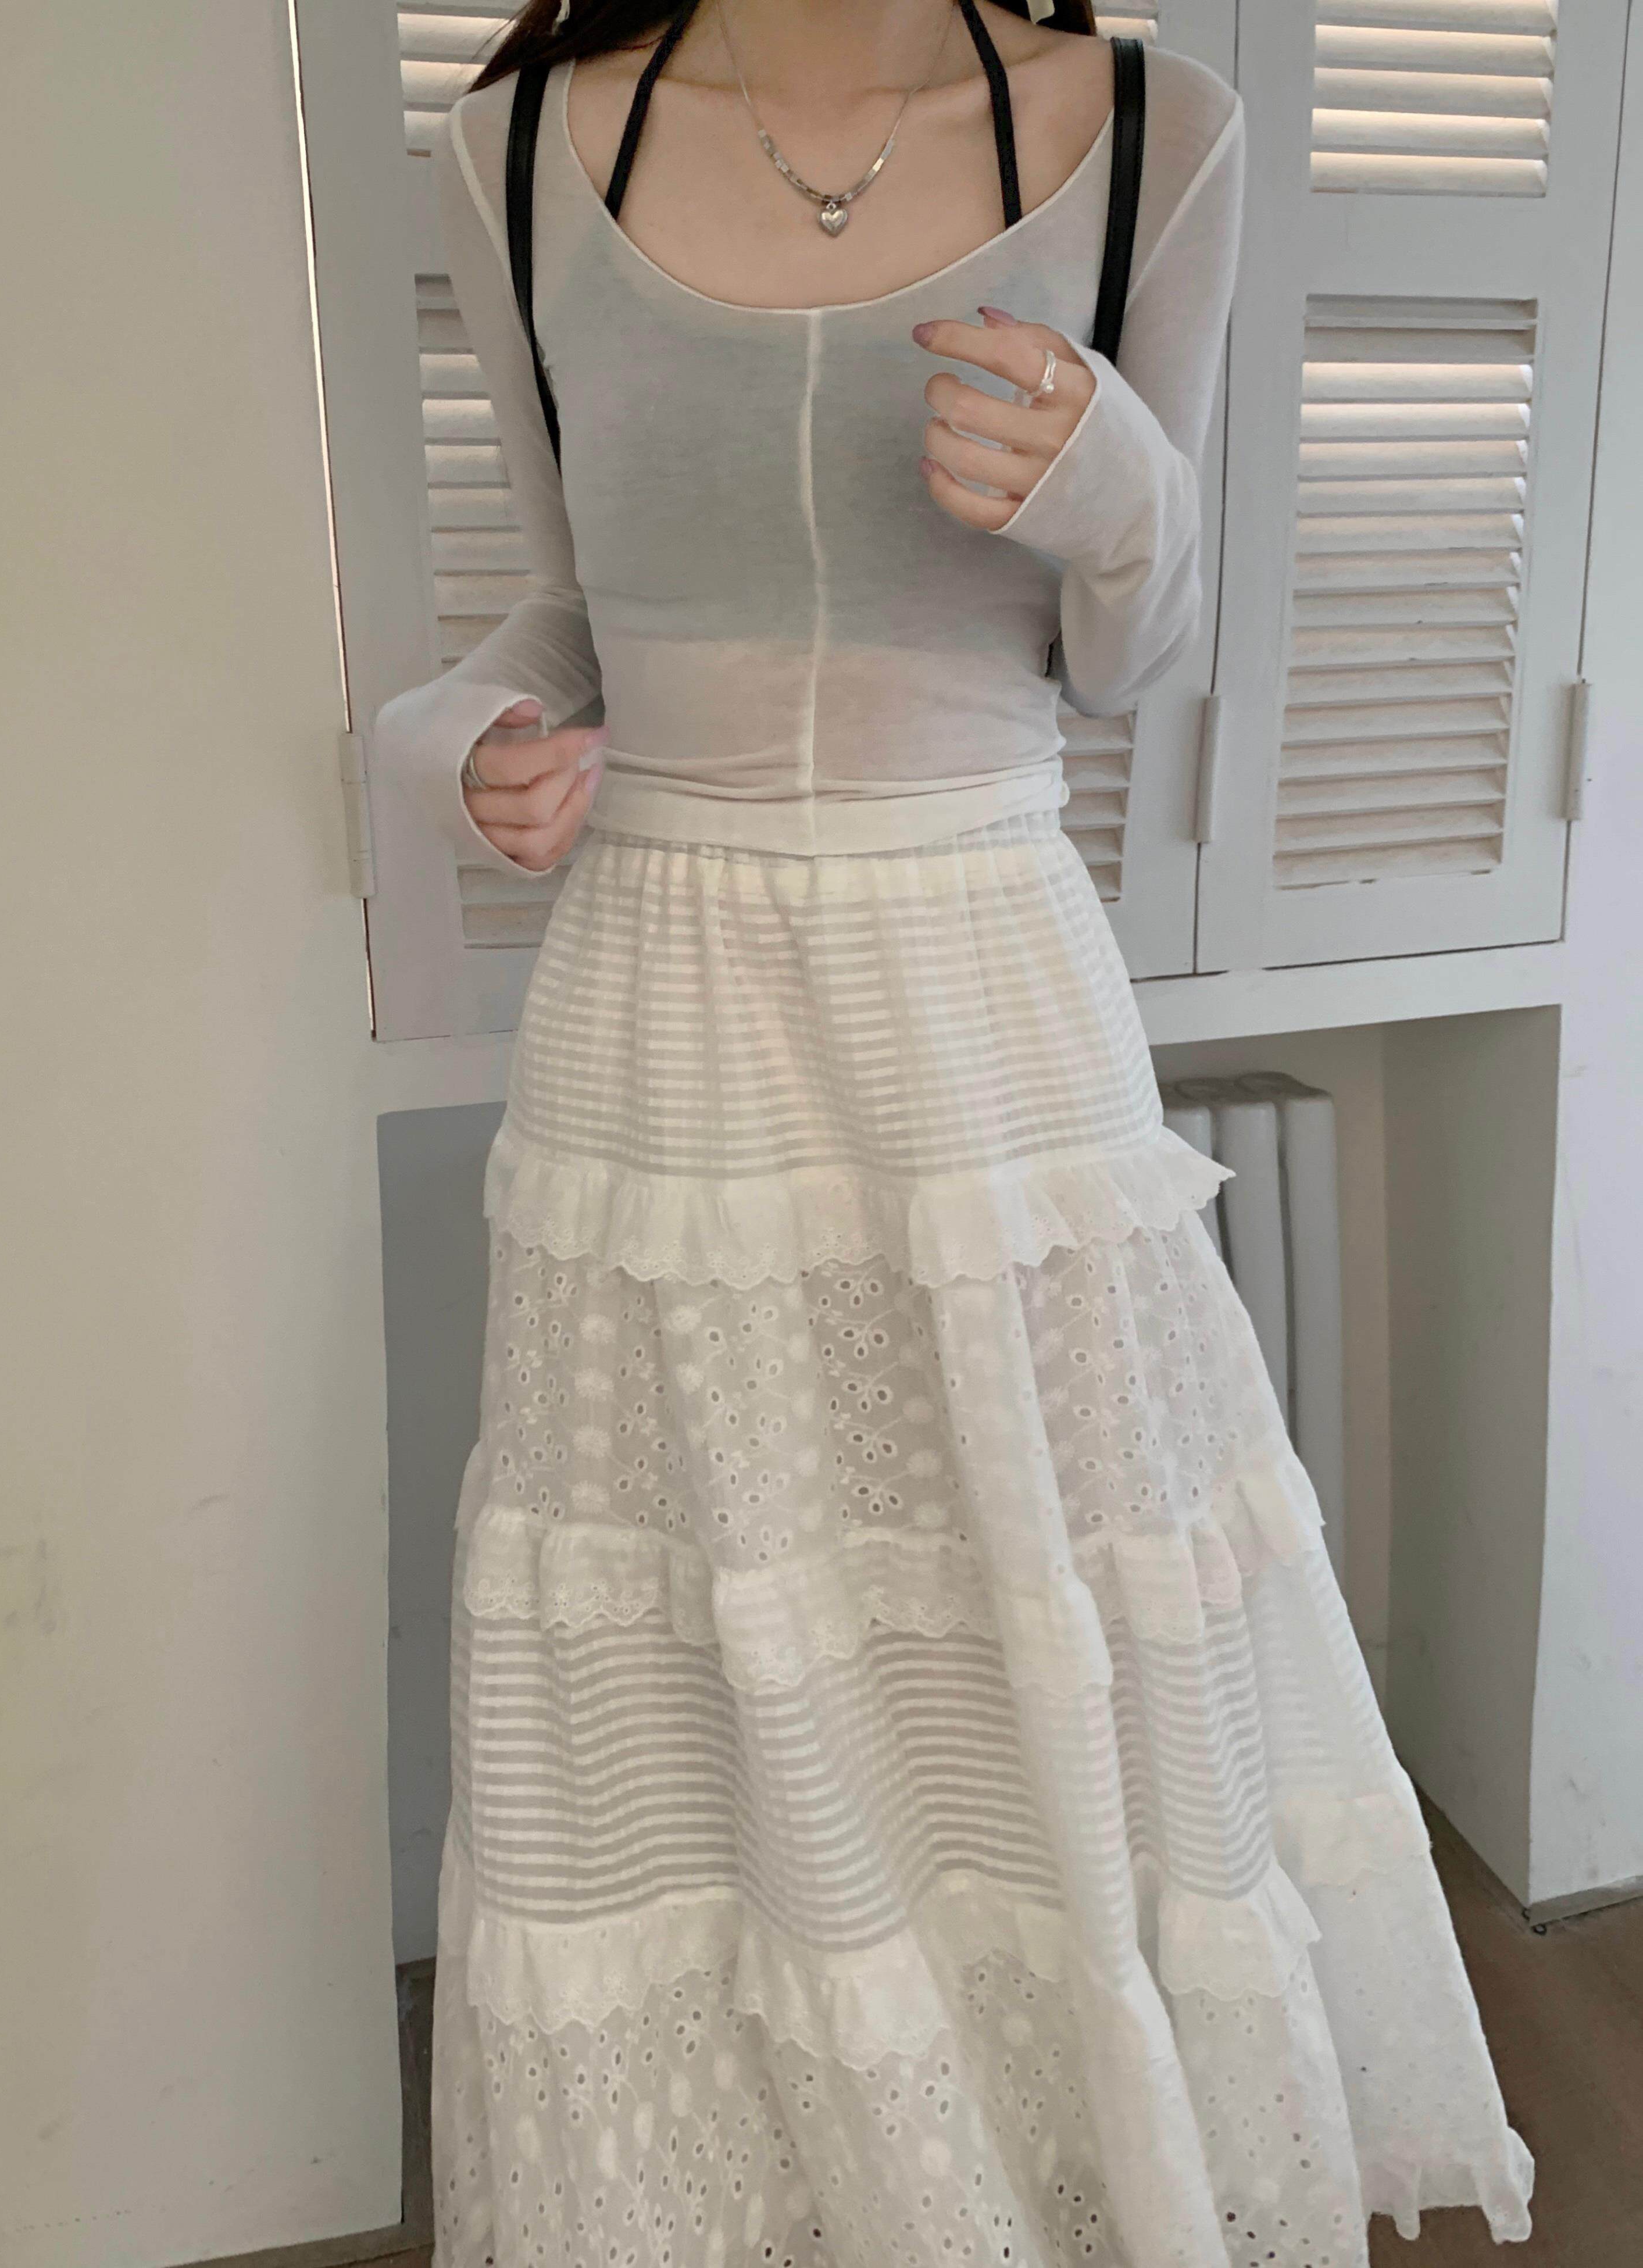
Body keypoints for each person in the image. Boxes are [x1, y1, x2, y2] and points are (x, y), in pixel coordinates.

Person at [374, 4, 1533, 2260]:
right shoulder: (512, 152)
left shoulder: (1155, 130)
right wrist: (457, 738)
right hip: (664, 1020)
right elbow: (562, 610)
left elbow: (1136, 650)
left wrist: (1119, 486)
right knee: (710, 1644)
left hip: (986, 988)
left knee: (1041, 1610)